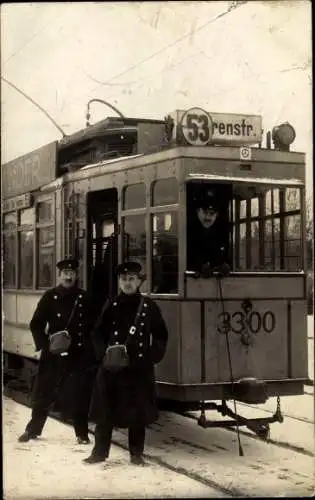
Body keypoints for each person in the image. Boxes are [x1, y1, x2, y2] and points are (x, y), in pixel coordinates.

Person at [84, 261, 169, 466]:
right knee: (105, 413)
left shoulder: (149, 307)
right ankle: (99, 452)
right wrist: (103, 355)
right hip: (112, 367)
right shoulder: (111, 305)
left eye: (131, 279)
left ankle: (136, 454)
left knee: (137, 414)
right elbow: (97, 333)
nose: (127, 283)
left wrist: (152, 356)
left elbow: (161, 334)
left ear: (139, 281)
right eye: (123, 279)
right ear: (119, 282)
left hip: (138, 368)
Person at [18, 259, 97, 445]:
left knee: (80, 394)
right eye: (65, 273)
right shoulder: (49, 297)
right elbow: (36, 324)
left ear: (76, 275)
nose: (68, 277)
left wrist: (87, 348)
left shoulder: (84, 298)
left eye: (71, 273)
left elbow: (94, 326)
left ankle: (82, 433)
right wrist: (46, 345)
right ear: (59, 275)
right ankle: (33, 430)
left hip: (77, 354)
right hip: (53, 353)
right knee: (43, 392)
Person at [187, 186, 231, 276]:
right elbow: (186, 257)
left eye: (212, 213)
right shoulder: (188, 232)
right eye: (204, 212)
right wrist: (199, 266)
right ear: (197, 211)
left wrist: (224, 265)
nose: (208, 217)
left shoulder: (221, 234)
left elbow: (225, 257)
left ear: (217, 215)